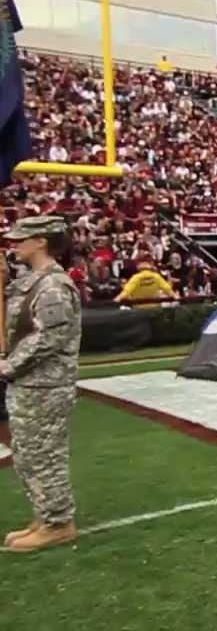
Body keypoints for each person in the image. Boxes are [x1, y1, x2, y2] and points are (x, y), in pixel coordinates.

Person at [0, 216, 83, 553]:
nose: (14, 244)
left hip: (46, 386)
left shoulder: (53, 286)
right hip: (29, 384)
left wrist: (7, 366)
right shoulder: (32, 281)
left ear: (41, 242)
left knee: (45, 455)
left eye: (23, 239)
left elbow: (49, 338)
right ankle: (44, 515)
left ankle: (59, 523)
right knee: (28, 454)